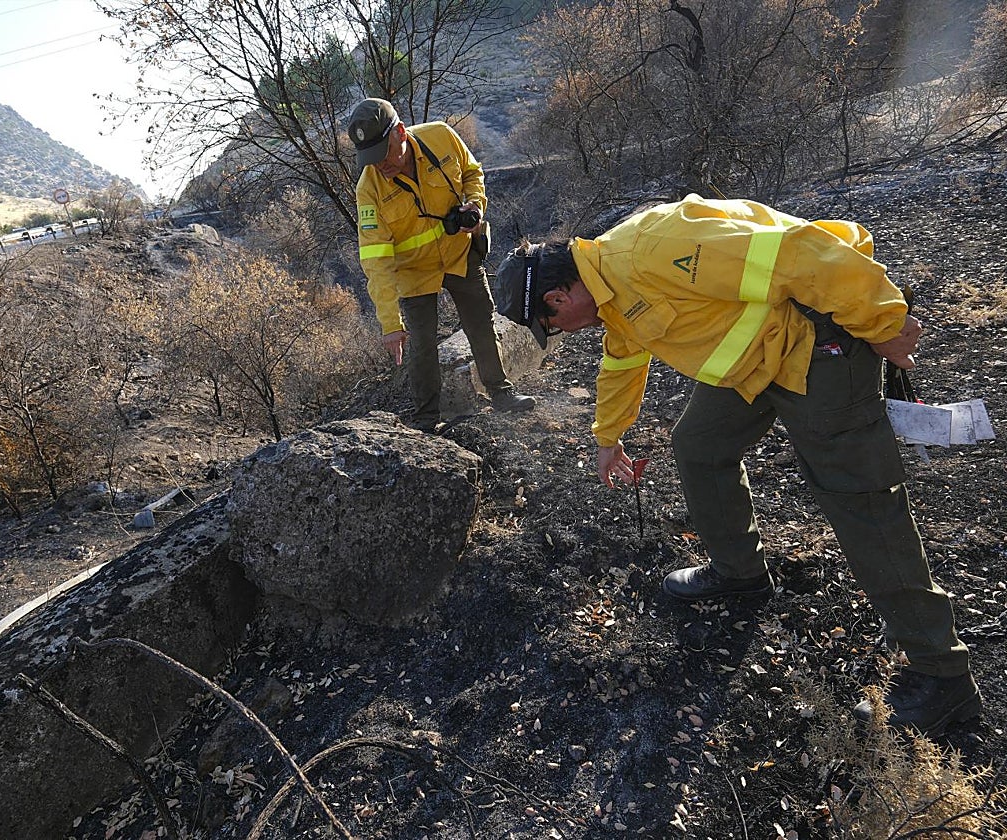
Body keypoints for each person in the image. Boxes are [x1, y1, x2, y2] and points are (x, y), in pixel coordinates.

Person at [491, 193, 980, 735]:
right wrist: (608, 438)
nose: (562, 334)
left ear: (559, 297)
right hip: (757, 362)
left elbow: (800, 254)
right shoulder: (610, 286)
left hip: (815, 346)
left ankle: (942, 674)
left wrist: (884, 322)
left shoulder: (655, 249)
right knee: (699, 446)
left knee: (859, 500)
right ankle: (740, 573)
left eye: (552, 324)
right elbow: (624, 357)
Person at [347, 97, 536, 432]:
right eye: (369, 159)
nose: (379, 165)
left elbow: (472, 172)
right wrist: (391, 324)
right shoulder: (369, 189)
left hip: (459, 253)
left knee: (480, 322)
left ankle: (501, 393)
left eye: (382, 153)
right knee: (420, 345)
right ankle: (425, 421)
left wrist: (475, 205)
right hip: (414, 272)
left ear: (401, 133)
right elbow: (376, 262)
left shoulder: (441, 136)